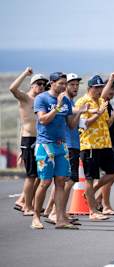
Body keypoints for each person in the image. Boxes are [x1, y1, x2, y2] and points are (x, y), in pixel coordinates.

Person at [32, 72, 83, 230]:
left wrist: (79, 113)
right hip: (45, 145)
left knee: (61, 182)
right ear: (52, 83)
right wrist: (57, 107)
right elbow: (43, 120)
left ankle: (60, 218)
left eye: (64, 84)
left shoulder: (66, 100)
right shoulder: (42, 98)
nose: (63, 86)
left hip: (62, 146)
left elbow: (71, 125)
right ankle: (36, 217)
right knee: (45, 182)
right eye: (61, 83)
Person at [75, 74, 114, 219]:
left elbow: (106, 124)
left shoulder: (102, 101)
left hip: (105, 145)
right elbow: (84, 124)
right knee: (90, 178)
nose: (99, 90)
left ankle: (93, 191)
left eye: (100, 87)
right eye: (96, 88)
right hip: (90, 145)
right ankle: (93, 212)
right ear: (90, 88)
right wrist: (98, 113)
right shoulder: (83, 102)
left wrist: (113, 116)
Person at [44, 73, 87, 224]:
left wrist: (81, 114)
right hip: (67, 145)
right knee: (67, 181)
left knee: (64, 180)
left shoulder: (69, 102)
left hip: (73, 144)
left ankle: (54, 211)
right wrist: (82, 111)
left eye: (77, 84)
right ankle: (56, 212)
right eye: (71, 84)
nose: (75, 87)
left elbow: (72, 124)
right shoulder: (64, 99)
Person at [9, 67, 47, 216]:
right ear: (32, 85)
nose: (41, 86)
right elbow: (12, 88)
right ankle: (26, 207)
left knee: (40, 175)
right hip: (29, 139)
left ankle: (25, 202)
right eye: (38, 83)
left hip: (40, 139)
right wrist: (25, 73)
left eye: (43, 84)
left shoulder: (41, 100)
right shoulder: (26, 98)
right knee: (31, 176)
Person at [95, 73, 114, 215]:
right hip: (103, 144)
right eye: (110, 92)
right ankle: (103, 203)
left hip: (110, 143)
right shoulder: (102, 104)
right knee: (112, 172)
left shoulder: (108, 104)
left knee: (113, 174)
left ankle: (100, 200)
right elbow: (104, 125)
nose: (112, 94)